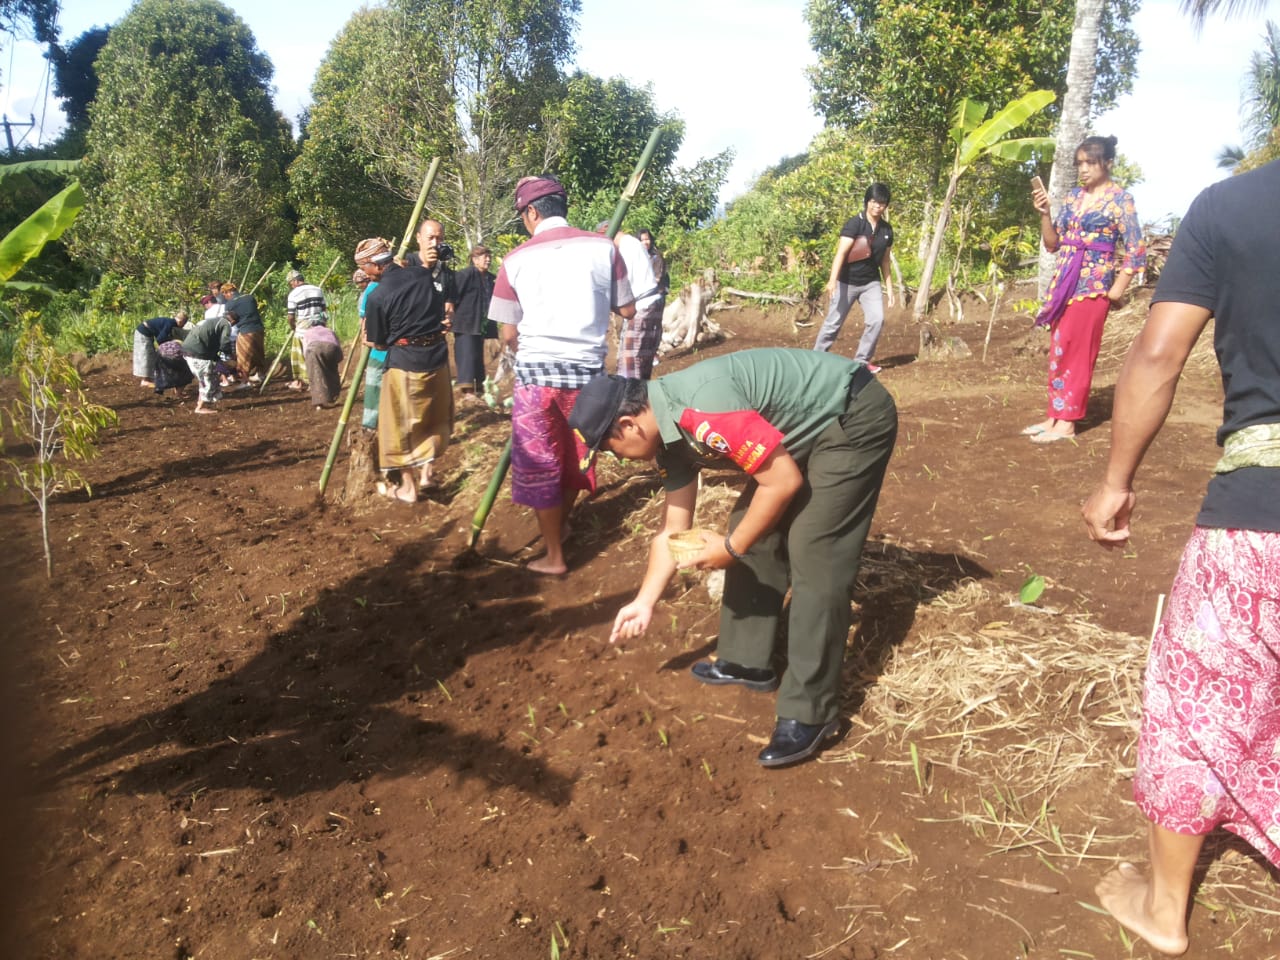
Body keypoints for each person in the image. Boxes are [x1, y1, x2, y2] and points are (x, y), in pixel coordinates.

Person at [1082, 159, 1280, 956]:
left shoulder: (1233, 205)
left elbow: (1159, 355)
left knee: (1197, 699)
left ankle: (1165, 908)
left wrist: (1114, 482)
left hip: (1260, 517)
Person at [569, 348, 897, 766]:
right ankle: (748, 660)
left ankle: (811, 713)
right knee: (750, 523)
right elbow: (674, 530)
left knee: (817, 552)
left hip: (849, 413)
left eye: (611, 449)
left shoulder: (702, 411)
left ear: (629, 424)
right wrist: (644, 601)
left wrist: (729, 549)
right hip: (799, 428)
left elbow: (781, 482)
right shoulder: (667, 437)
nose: (615, 459)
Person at [489, 174, 635, 574]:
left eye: (522, 215)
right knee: (576, 456)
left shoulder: (514, 260)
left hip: (536, 376)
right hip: (587, 375)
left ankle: (554, 554)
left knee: (539, 462)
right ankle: (564, 525)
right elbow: (628, 310)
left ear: (532, 212)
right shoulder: (604, 248)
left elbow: (507, 331)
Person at [1028, 135, 1145, 444]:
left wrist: (1115, 291)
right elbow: (1052, 244)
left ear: (1107, 163)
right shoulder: (1073, 198)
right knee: (1060, 349)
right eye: (1079, 163)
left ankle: (1067, 423)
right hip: (1064, 282)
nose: (1083, 169)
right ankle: (1054, 415)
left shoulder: (1121, 199)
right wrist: (1044, 213)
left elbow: (1136, 250)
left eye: (1090, 162)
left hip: (1093, 286)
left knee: (1078, 353)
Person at [363, 220, 455, 503]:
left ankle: (408, 486)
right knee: (433, 418)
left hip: (405, 364)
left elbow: (378, 341)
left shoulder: (377, 297)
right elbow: (436, 312)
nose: (363, 273)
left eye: (364, 268)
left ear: (374, 266)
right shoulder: (422, 275)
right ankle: (427, 474)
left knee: (397, 427)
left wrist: (377, 338)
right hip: (437, 359)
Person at [813, 183, 895, 372]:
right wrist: (832, 280)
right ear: (867, 201)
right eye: (874, 201)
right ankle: (816, 359)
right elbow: (840, 254)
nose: (877, 206)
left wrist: (890, 289)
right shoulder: (855, 223)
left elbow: (885, 262)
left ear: (886, 206)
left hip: (871, 283)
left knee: (876, 320)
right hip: (847, 281)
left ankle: (861, 363)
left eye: (882, 203)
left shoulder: (887, 231)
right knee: (834, 322)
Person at [597, 222, 665, 380]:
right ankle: (642, 399)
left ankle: (631, 402)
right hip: (652, 302)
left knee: (629, 367)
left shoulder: (624, 248)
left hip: (642, 306)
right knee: (643, 363)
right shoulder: (633, 243)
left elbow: (622, 289)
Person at [451, 244, 496, 404]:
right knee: (467, 355)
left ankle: (479, 389)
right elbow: (452, 296)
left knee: (477, 356)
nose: (488, 260)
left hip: (480, 324)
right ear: (475, 259)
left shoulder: (491, 279)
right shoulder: (465, 275)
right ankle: (468, 392)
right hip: (465, 322)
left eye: (489, 256)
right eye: (485, 257)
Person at [352, 245, 390, 432]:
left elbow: (365, 325)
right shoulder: (374, 290)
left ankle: (373, 427)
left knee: (378, 390)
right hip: (389, 351)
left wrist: (367, 338)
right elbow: (365, 324)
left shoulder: (375, 289)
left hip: (387, 351)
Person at [181, 304, 236, 414]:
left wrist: (217, 359)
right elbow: (224, 343)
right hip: (197, 353)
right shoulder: (225, 324)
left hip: (187, 350)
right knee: (207, 379)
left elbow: (212, 343)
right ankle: (200, 407)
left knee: (208, 376)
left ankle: (202, 403)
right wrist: (231, 356)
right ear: (233, 321)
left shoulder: (213, 321)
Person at [285, 268, 330, 392]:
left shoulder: (293, 294)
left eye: (290, 283)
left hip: (302, 330)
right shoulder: (317, 290)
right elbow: (324, 310)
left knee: (299, 356)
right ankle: (316, 379)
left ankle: (302, 381)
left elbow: (290, 316)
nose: (291, 286)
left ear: (294, 281)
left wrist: (293, 327)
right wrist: (324, 325)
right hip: (318, 327)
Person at [221, 281, 265, 388]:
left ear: (228, 292)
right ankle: (260, 374)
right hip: (259, 329)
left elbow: (232, 321)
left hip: (246, 331)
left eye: (224, 294)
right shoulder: (250, 297)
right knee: (258, 352)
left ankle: (245, 381)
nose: (225, 297)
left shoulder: (229, 304)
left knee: (242, 357)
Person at [132, 311, 189, 388]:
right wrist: (171, 344)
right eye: (184, 324)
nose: (182, 326)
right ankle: (145, 381)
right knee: (146, 355)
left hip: (146, 332)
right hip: (143, 332)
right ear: (181, 321)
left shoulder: (170, 322)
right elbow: (160, 339)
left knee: (150, 354)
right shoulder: (170, 323)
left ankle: (148, 378)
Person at [301, 323, 343, 408]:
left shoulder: (307, 333)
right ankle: (333, 395)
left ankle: (319, 402)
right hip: (331, 349)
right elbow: (338, 346)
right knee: (332, 370)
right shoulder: (330, 331)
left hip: (314, 349)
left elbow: (305, 351)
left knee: (315, 374)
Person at [638, 228, 669, 299]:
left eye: (647, 239)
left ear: (651, 240)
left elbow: (657, 279)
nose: (645, 242)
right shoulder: (637, 257)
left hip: (655, 294)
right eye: (642, 240)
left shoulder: (656, 257)